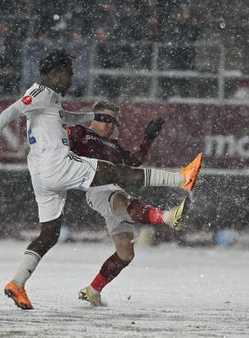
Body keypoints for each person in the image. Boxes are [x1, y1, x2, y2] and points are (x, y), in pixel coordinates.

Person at [0, 49, 203, 310]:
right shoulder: (39, 93)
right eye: (69, 74)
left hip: (42, 175)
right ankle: (181, 179)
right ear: (56, 72)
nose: (72, 79)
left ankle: (17, 283)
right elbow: (12, 110)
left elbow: (64, 118)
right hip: (58, 165)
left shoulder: (51, 100)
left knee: (49, 234)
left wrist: (94, 116)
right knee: (113, 173)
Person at [66, 100, 188, 306]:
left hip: (114, 190)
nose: (110, 125)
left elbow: (134, 161)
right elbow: (57, 140)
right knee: (122, 200)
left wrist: (148, 139)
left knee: (126, 253)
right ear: (93, 117)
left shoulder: (113, 145)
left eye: (113, 121)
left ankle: (93, 290)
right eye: (105, 119)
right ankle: (169, 216)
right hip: (96, 190)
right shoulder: (79, 133)